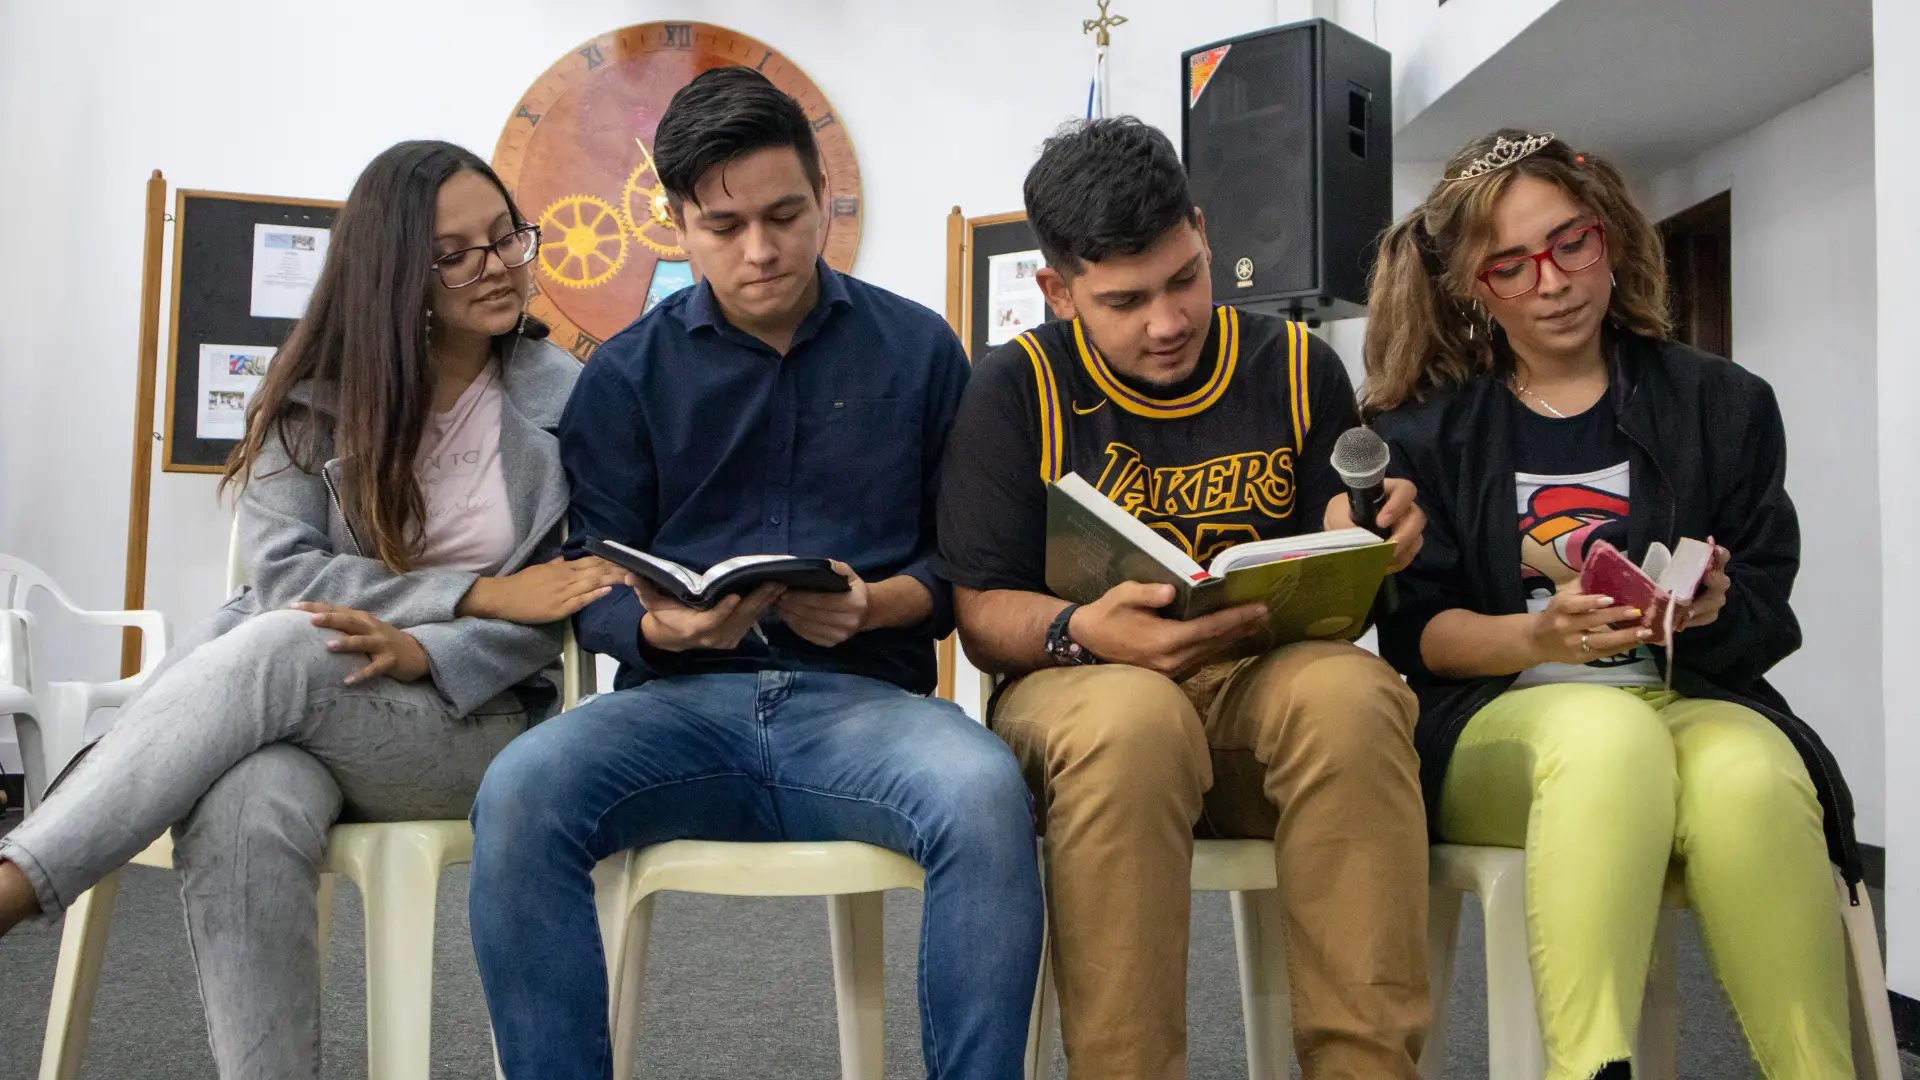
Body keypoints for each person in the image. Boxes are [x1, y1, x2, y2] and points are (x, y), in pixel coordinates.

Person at [465, 67, 1044, 1080]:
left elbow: (968, 568)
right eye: (724, 226)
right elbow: (590, 570)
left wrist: (878, 603)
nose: (762, 249)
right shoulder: (626, 375)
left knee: (986, 793)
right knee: (519, 792)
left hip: (868, 710)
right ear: (678, 227)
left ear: (825, 198)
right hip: (673, 715)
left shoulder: (920, 353)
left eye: (785, 214)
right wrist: (656, 631)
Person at [0, 140, 624, 1079]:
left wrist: (426, 650)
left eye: (506, 237)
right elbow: (289, 573)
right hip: (310, 708)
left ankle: (16, 881)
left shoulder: (575, 404)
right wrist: (472, 592)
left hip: (475, 723)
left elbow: (567, 602)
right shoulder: (313, 399)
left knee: (286, 644)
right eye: (454, 253)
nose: (495, 267)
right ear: (392, 273)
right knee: (248, 799)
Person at [936, 116, 1431, 1080]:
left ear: (1202, 233)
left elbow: (1344, 563)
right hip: (1085, 704)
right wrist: (1081, 629)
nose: (1167, 321)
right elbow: (982, 612)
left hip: (1259, 690)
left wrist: (1367, 539)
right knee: (1133, 719)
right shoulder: (1012, 389)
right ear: (1056, 290)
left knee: (1354, 696)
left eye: (1183, 279)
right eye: (1124, 301)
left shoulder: (1298, 366)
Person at [1364, 129, 1862, 1080]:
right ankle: (1590, 1067)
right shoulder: (1422, 433)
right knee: (1606, 738)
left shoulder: (1724, 403)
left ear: (1613, 237)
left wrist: (1713, 605)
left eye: (1570, 244)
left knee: (1757, 776)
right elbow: (1416, 635)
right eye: (1510, 266)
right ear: (1473, 288)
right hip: (1497, 723)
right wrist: (1533, 632)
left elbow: (1768, 600)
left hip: (1692, 698)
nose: (1551, 282)